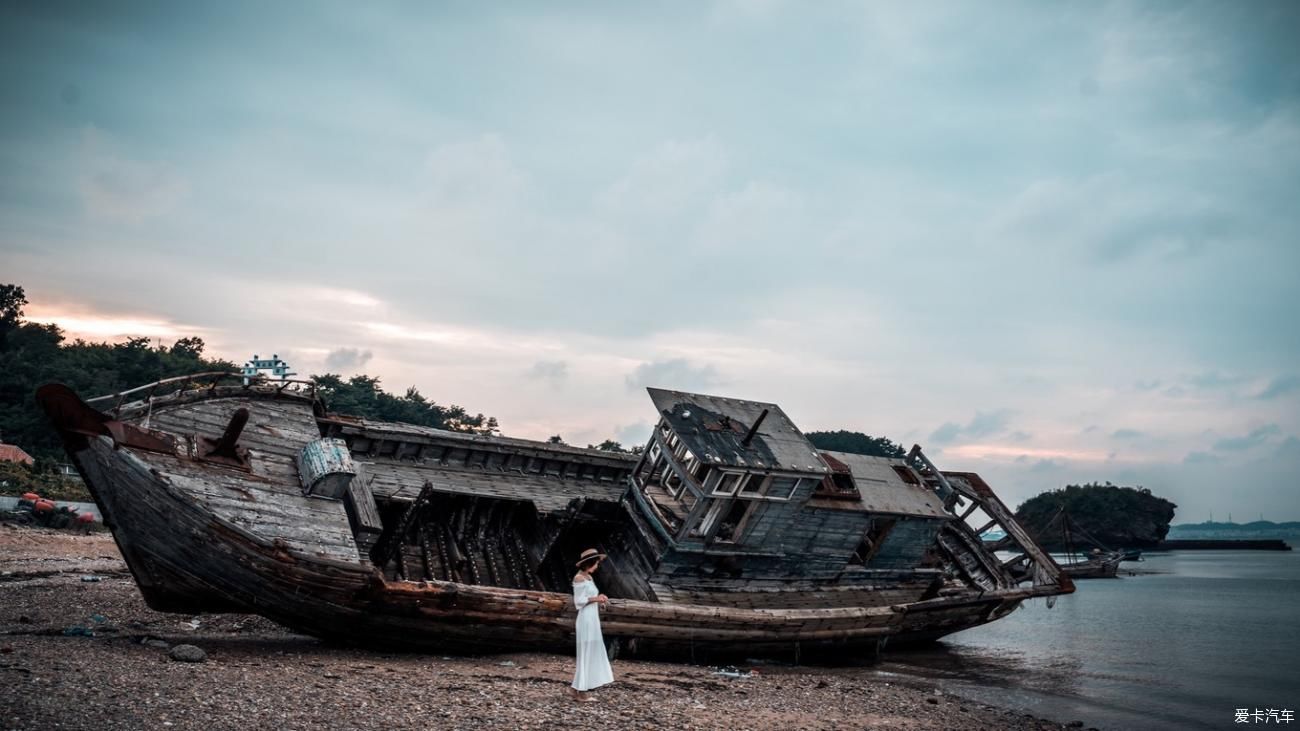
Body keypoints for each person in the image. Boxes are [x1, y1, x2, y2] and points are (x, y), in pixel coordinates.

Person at [570, 548, 613, 702]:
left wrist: (600, 598)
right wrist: (596, 599)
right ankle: (582, 691)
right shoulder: (579, 578)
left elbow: (591, 597)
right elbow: (579, 602)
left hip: (592, 618)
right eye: (596, 563)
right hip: (585, 619)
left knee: (590, 651)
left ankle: (576, 689)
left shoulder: (589, 577)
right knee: (586, 653)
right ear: (589, 563)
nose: (597, 566)